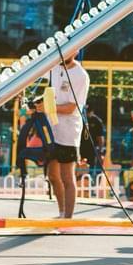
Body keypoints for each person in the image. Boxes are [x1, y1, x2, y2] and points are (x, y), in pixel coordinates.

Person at [47, 54, 90, 219]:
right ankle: (62, 211)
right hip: (53, 130)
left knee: (67, 176)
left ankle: (68, 217)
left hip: (69, 133)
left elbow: (71, 107)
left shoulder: (80, 75)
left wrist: (47, 108)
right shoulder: (54, 67)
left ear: (76, 51)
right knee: (52, 175)